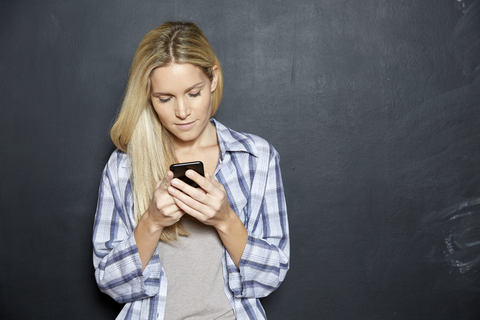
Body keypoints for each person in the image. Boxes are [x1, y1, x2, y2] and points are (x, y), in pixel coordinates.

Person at [92, 21, 289, 320]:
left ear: (213, 78)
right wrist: (152, 222)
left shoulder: (256, 158)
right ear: (147, 95)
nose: (182, 112)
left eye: (193, 93)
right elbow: (111, 283)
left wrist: (225, 219)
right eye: (165, 98)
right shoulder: (123, 167)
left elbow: (269, 277)